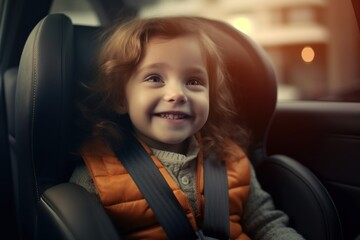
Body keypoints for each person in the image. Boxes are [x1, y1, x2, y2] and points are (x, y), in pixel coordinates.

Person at [70, 16, 304, 240]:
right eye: (154, 78)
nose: (177, 94)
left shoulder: (231, 158)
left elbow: (266, 224)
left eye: (193, 81)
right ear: (121, 98)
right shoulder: (95, 177)